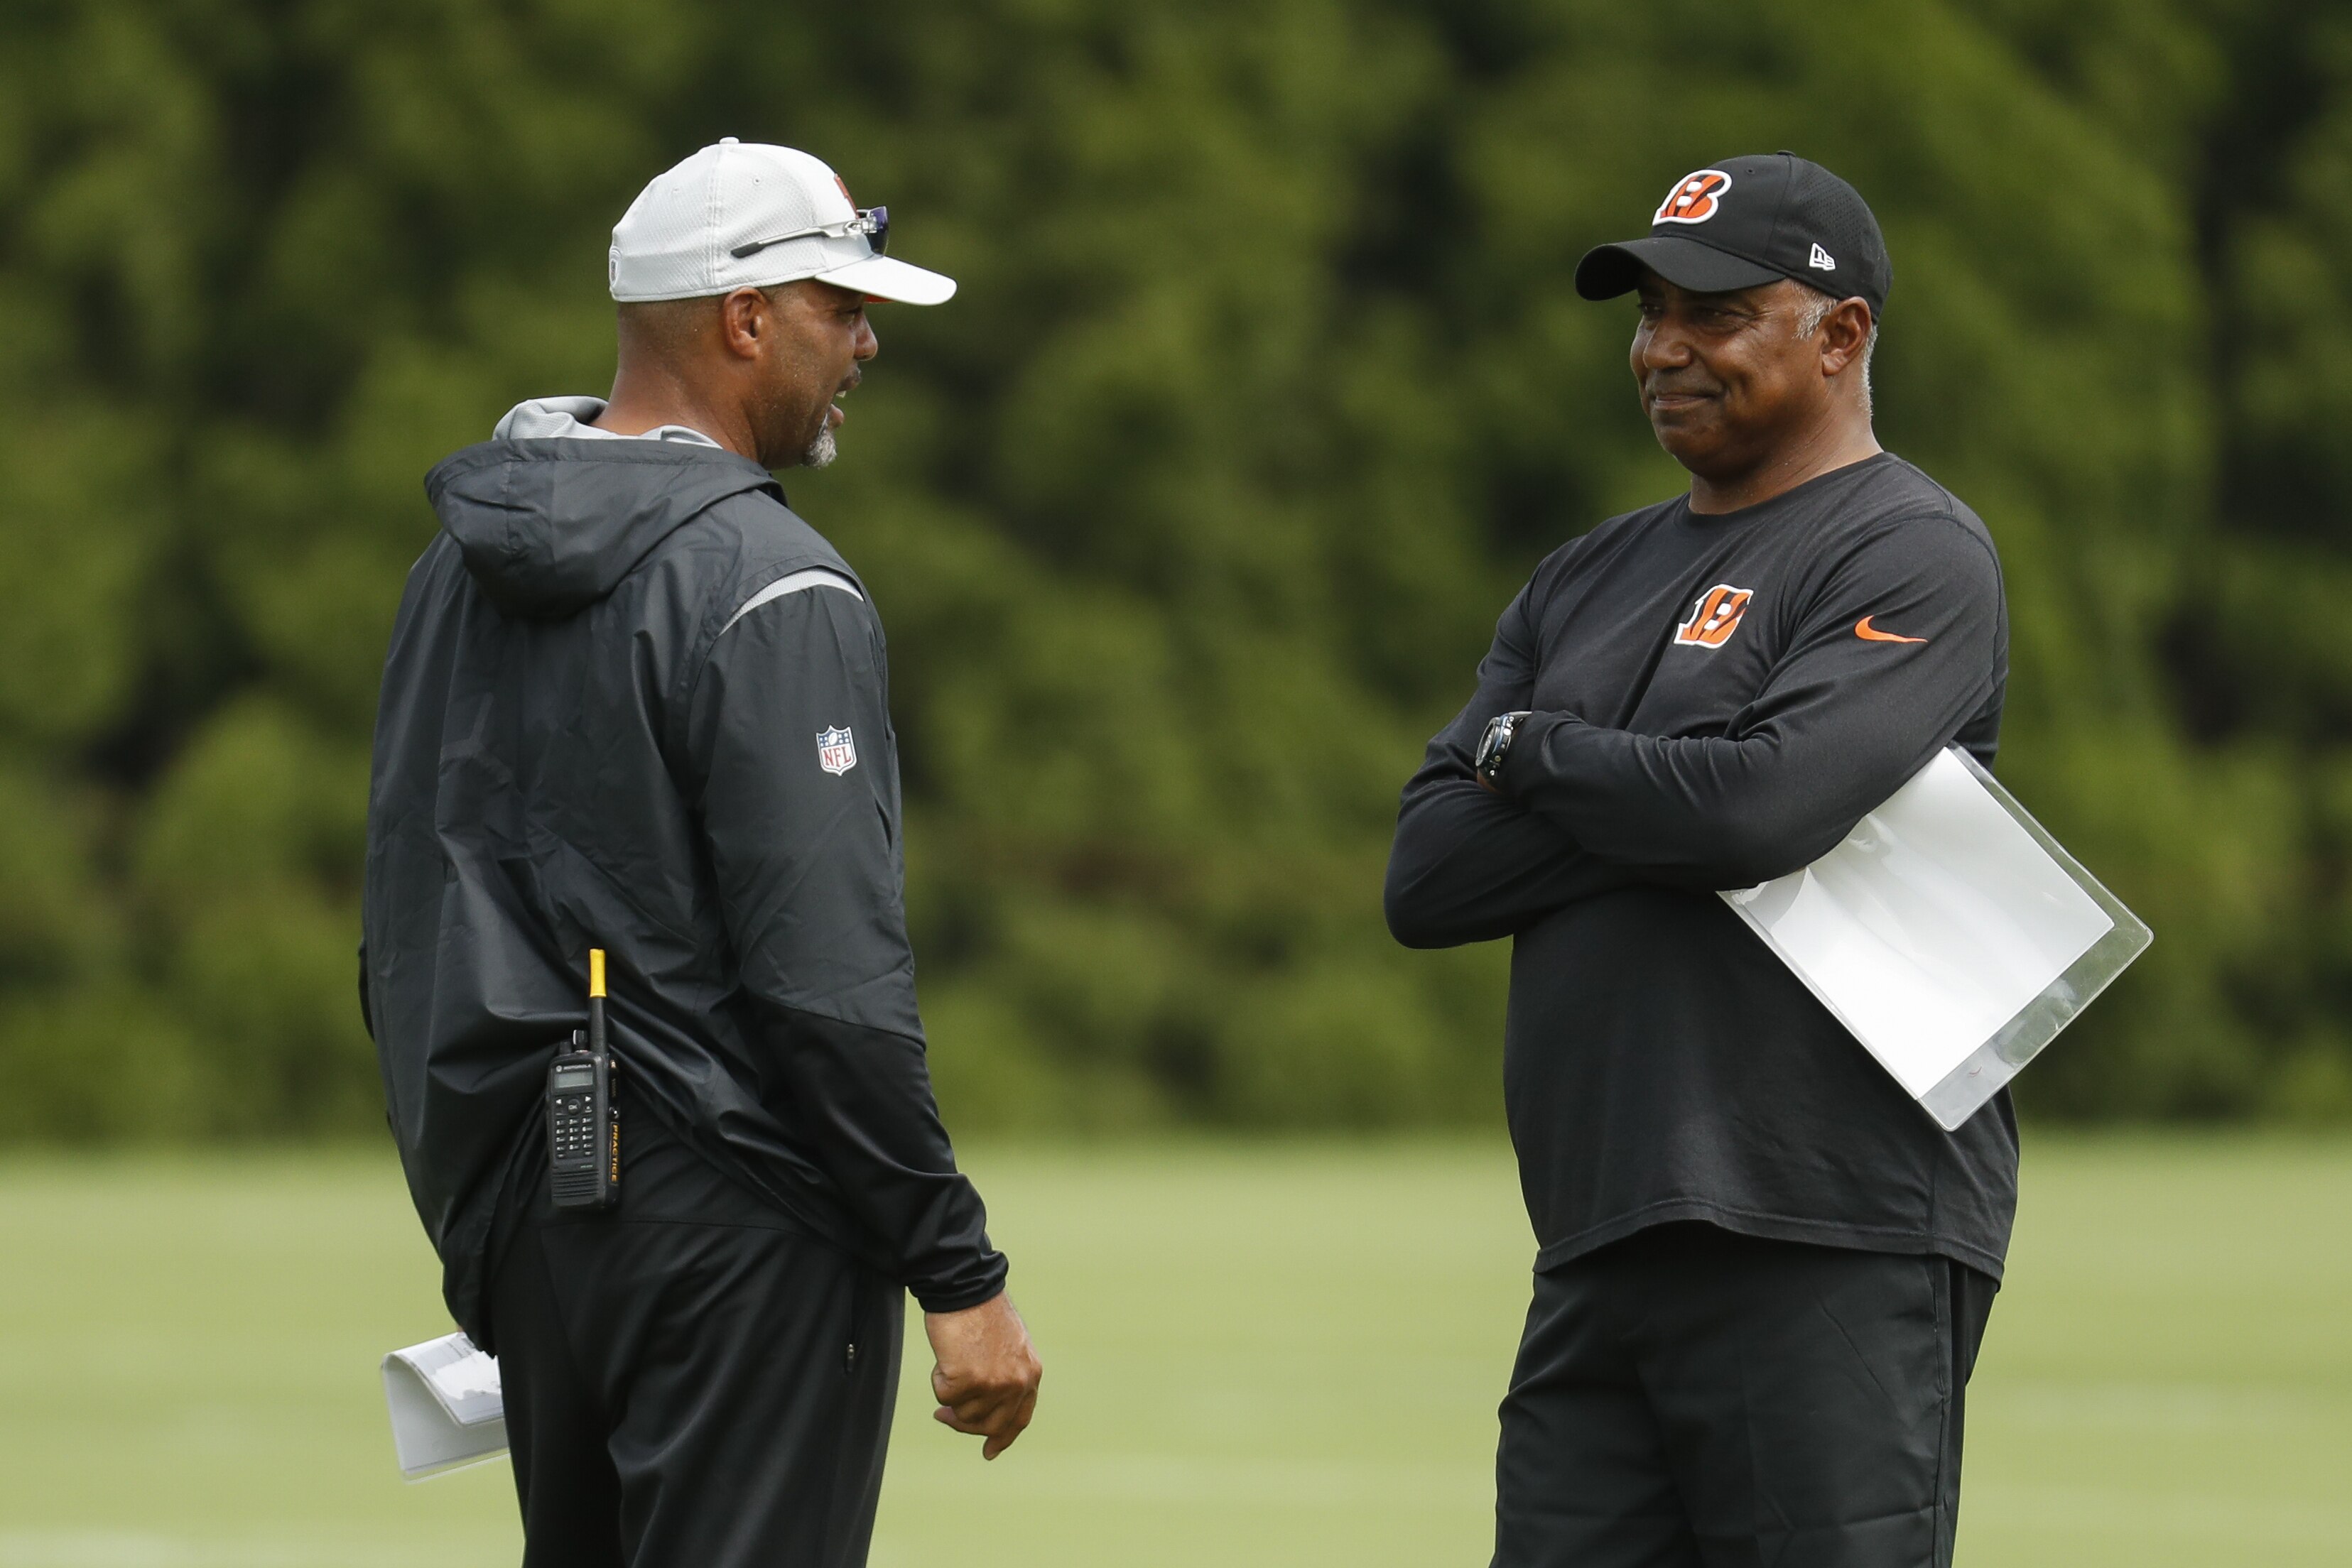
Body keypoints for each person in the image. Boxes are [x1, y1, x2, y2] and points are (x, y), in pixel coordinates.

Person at [361, 140, 1041, 1568]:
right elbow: (830, 986)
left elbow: (404, 932)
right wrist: (957, 1271)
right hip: (747, 1227)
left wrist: (484, 1220)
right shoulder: (769, 580)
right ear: (744, 320)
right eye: (840, 309)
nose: (864, 345)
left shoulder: (449, 571)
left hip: (537, 1213)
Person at [1384, 153, 2014, 1567]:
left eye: (1716, 314)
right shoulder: (1583, 574)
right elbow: (1427, 876)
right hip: (1602, 1231)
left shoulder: (1912, 548)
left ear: (1842, 335)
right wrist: (1688, 783)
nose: (1663, 348)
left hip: (1830, 1226)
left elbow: (1759, 816)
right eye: (1651, 312)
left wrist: (1538, 752)